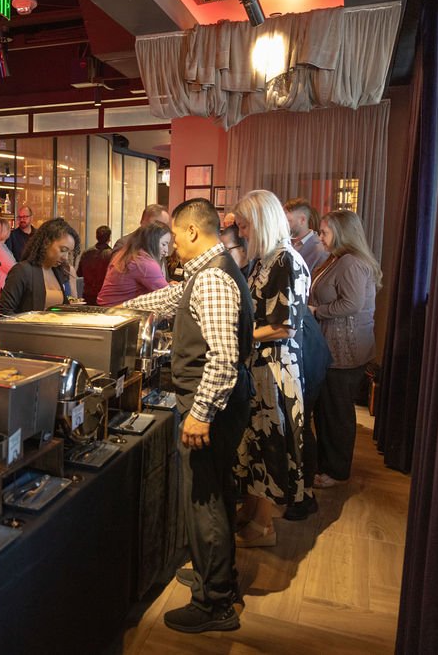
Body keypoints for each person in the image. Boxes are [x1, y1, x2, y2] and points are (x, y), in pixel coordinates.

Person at [124, 199, 253, 634]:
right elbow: (172, 296)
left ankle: (214, 602)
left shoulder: (214, 278)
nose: (173, 246)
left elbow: (223, 360)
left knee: (205, 499)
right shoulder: (206, 270)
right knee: (211, 492)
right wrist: (121, 310)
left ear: (193, 233)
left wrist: (200, 414)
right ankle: (214, 575)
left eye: (176, 237)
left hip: (209, 403)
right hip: (210, 402)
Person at [232, 190, 315, 546]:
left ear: (262, 222)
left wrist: (240, 336)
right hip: (261, 365)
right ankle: (252, 511)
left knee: (269, 445)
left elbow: (285, 325)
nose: (242, 233)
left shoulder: (286, 261)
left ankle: (263, 526)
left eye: (245, 226)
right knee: (254, 443)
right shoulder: (267, 260)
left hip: (276, 368)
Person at [309, 210, 380, 488]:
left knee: (337, 413)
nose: (320, 236)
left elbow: (351, 304)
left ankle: (337, 470)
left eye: (324, 231)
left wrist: (316, 310)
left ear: (341, 233)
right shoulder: (337, 259)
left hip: (346, 351)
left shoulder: (350, 262)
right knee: (327, 411)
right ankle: (326, 464)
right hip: (332, 347)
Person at [0, 218, 79, 315]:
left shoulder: (58, 272)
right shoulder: (22, 271)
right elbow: (2, 312)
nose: (66, 257)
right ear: (46, 242)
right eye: (63, 250)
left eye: (69, 253)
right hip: (29, 330)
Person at [97, 221, 171, 306]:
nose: (166, 251)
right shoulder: (144, 263)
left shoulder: (128, 255)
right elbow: (168, 296)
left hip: (105, 310)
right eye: (164, 244)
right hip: (119, 313)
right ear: (152, 241)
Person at [284, 199, 329, 272]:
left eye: (288, 221)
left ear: (302, 220)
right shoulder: (283, 243)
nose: (283, 225)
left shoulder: (320, 251)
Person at [76, 225, 112, 305]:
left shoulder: (86, 253)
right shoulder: (112, 255)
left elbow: (79, 273)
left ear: (96, 237)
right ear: (109, 238)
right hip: (105, 295)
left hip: (88, 295)